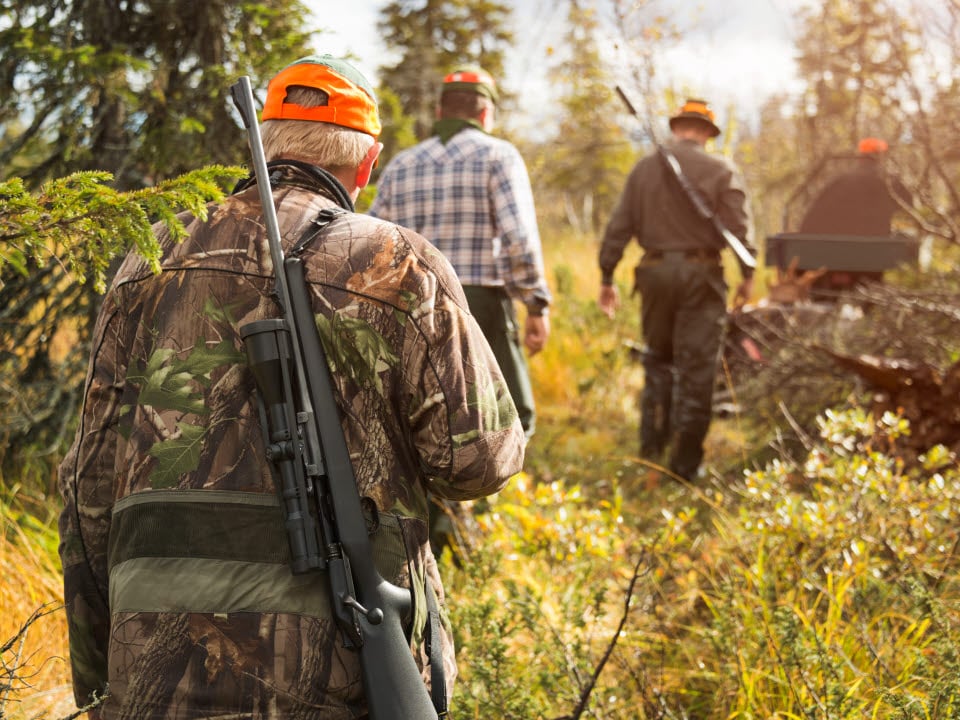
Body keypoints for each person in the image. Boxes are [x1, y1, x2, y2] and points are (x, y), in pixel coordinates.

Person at [57, 54, 525, 720]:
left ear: (261, 146)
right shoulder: (401, 264)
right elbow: (481, 461)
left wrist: (102, 682)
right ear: (367, 165)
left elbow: (86, 490)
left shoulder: (146, 260)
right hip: (338, 661)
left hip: (153, 662)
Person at [369, 66, 551, 439]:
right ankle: (490, 494)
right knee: (502, 412)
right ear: (486, 113)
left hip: (411, 302)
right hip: (480, 301)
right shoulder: (499, 156)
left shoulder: (401, 164)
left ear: (441, 112)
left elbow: (373, 239)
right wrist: (535, 304)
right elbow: (519, 240)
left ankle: (438, 496)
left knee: (422, 409)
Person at [598, 98, 754, 481]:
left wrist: (607, 276)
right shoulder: (722, 169)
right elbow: (740, 230)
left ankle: (651, 450)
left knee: (658, 362)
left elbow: (619, 227)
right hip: (702, 276)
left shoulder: (643, 170)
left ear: (678, 127)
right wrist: (748, 273)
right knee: (697, 371)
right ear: (705, 132)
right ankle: (685, 467)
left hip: (654, 274)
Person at [798, 137, 912, 296]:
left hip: (827, 259)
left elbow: (808, 224)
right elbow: (909, 219)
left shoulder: (839, 182)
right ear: (882, 156)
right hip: (877, 260)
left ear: (860, 156)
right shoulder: (894, 185)